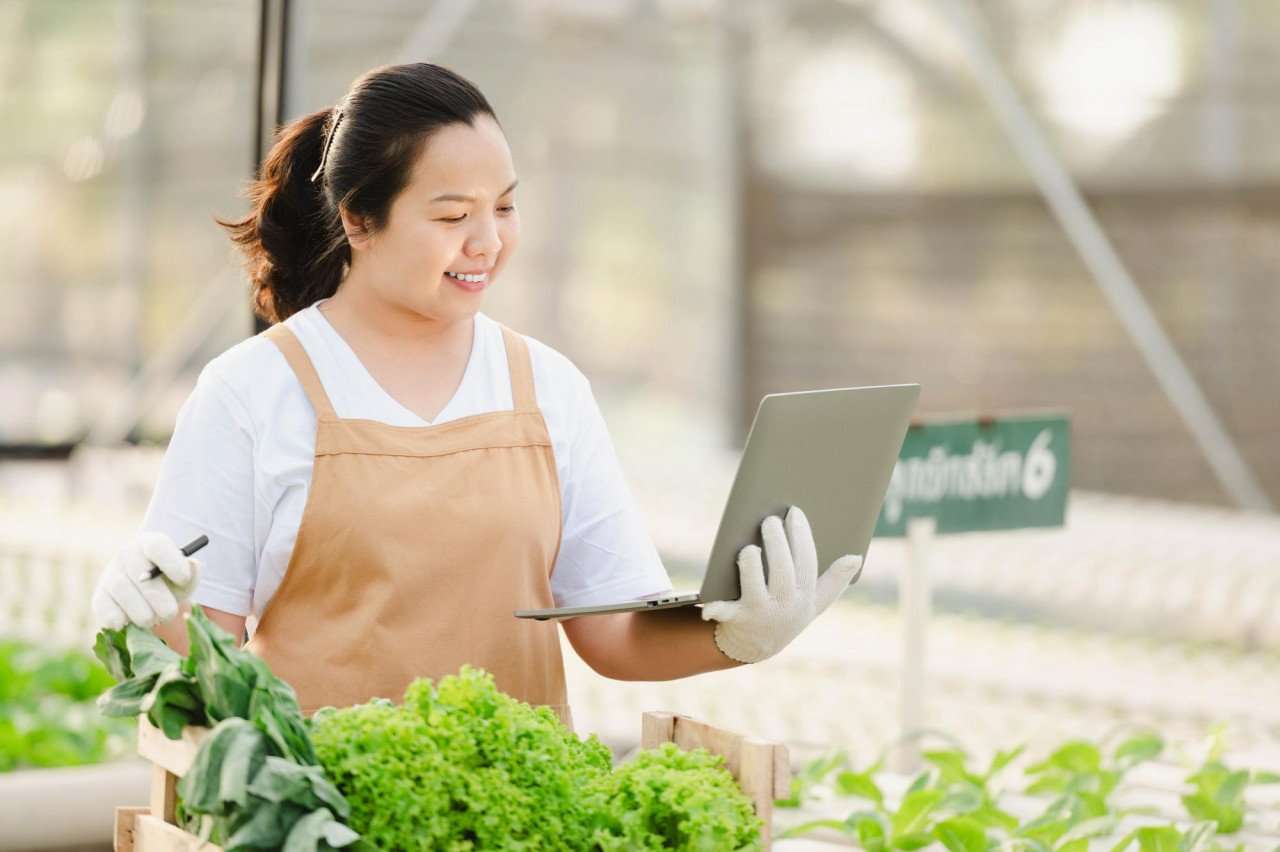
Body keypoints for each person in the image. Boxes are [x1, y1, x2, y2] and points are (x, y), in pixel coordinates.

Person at [90, 63, 863, 727]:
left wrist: (741, 636)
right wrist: (150, 619)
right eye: (453, 214)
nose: (488, 241)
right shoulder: (252, 393)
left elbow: (615, 632)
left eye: (505, 206)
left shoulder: (548, 389)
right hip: (314, 817)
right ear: (359, 218)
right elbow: (210, 667)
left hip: (515, 815)